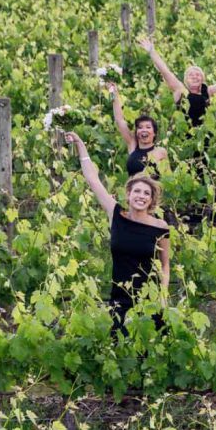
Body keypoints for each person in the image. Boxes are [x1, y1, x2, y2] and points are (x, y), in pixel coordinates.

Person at [64, 132, 170, 337]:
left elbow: (165, 264)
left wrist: (163, 296)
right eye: (137, 191)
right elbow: (93, 180)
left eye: (146, 193)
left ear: (151, 200)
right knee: (121, 350)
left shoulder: (160, 226)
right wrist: (80, 145)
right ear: (128, 194)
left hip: (151, 302)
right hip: (120, 299)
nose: (141, 196)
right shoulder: (116, 216)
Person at [137, 36, 216, 129]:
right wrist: (152, 51)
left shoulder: (208, 92)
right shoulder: (180, 90)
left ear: (202, 80)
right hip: (184, 139)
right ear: (186, 80)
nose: (195, 76)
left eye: (198, 74)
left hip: (204, 138)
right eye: (191, 75)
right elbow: (165, 71)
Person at [105, 82, 168, 177]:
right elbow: (119, 120)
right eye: (140, 127)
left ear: (154, 133)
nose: (144, 130)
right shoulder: (133, 145)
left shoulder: (160, 152)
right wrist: (113, 92)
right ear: (137, 132)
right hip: (132, 190)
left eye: (148, 127)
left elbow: (168, 178)